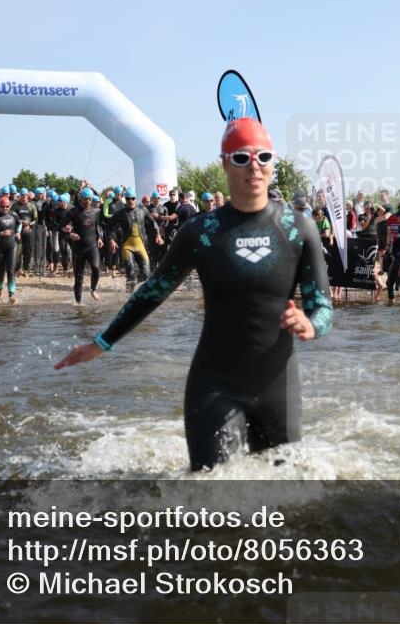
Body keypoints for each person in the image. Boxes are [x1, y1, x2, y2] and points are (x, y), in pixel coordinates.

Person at [55, 117, 333, 471]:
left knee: (285, 493)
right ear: (225, 163)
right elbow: (153, 291)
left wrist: (311, 324)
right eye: (242, 158)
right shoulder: (202, 231)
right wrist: (102, 342)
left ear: (272, 162)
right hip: (214, 386)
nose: (254, 167)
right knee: (208, 490)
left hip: (278, 386)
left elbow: (323, 307)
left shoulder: (298, 228)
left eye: (263, 157)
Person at [108, 191, 164, 294]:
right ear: (125, 200)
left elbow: (154, 223)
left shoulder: (143, 210)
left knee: (146, 274)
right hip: (127, 247)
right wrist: (111, 239)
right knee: (131, 274)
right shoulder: (120, 213)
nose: (130, 201)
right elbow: (109, 227)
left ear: (136, 199)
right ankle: (128, 296)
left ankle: (132, 283)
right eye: (128, 199)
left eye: (133, 198)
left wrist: (158, 235)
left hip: (140, 246)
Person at [64, 187, 105, 304]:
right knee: (79, 276)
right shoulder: (73, 212)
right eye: (85, 199)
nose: (88, 201)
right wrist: (70, 234)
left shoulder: (96, 211)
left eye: (90, 199)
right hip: (79, 248)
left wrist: (100, 238)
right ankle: (78, 302)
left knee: (96, 268)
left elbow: (97, 226)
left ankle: (93, 289)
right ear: (81, 198)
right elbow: (62, 227)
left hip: (92, 246)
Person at [0, 197, 22, 303]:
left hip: (11, 245)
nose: (5, 208)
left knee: (11, 271)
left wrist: (18, 231)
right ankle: (0, 293)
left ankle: (11, 295)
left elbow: (19, 223)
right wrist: (0, 233)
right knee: (0, 272)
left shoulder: (13, 214)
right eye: (2, 206)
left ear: (9, 206)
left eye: (7, 206)